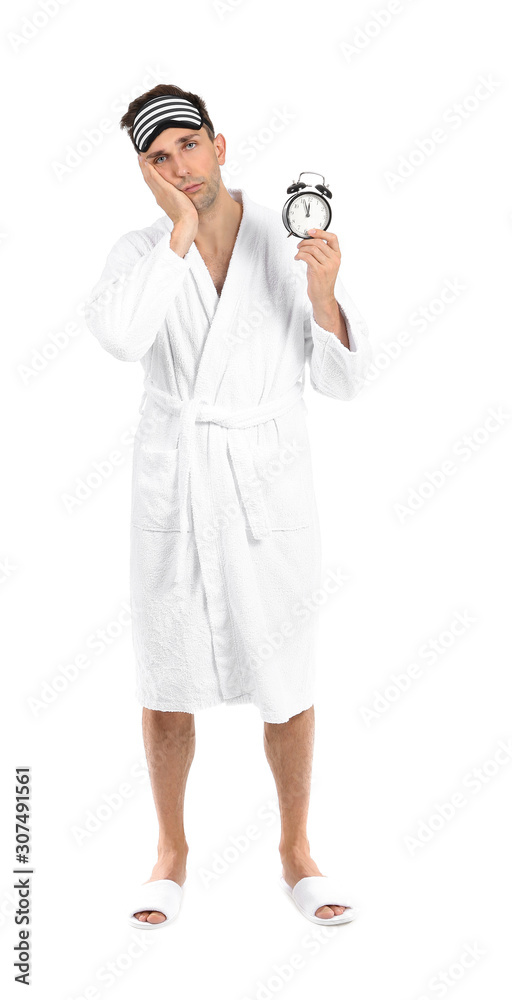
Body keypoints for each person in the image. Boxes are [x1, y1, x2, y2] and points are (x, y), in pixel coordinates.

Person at [84, 84, 374, 928]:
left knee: (287, 678)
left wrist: (323, 294)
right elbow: (119, 339)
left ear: (219, 142)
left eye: (188, 147)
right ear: (144, 171)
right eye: (158, 159)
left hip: (266, 487)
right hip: (176, 487)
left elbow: (344, 383)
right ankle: (170, 853)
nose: (181, 169)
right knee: (167, 677)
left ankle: (296, 851)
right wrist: (176, 235)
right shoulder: (140, 250)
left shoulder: (287, 239)